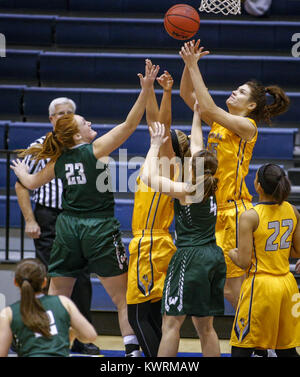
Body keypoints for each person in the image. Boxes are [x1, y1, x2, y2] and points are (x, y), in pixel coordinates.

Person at [10, 60, 160, 357]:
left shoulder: (59, 160)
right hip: (98, 227)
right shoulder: (95, 149)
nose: (89, 123)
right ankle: (131, 351)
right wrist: (145, 90)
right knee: (121, 297)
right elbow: (130, 124)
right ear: (77, 135)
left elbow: (30, 181)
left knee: (57, 295)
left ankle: (43, 345)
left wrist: (19, 171)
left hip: (67, 228)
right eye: (84, 122)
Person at [179, 39, 290, 310]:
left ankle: (261, 339)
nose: (233, 92)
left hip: (233, 212)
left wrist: (195, 66)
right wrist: (187, 64)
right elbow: (186, 94)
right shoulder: (220, 121)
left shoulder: (246, 126)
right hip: (213, 208)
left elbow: (207, 108)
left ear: (251, 106)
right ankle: (257, 335)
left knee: (234, 287)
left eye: (240, 92)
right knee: (223, 286)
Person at [15, 97, 99, 355]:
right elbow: (22, 184)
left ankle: (82, 339)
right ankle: (42, 334)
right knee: (46, 278)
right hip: (49, 218)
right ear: (51, 119)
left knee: (82, 278)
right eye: (60, 113)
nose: (64, 116)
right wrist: (30, 220)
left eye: (69, 113)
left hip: (77, 217)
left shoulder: (84, 146)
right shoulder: (40, 146)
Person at [141, 104, 226, 357]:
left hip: (190, 258)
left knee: (171, 324)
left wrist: (155, 146)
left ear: (191, 167)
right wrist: (197, 115)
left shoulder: (186, 190)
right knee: (206, 328)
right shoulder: (210, 182)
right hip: (213, 255)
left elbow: (147, 177)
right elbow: (199, 148)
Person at [127, 64, 179, 357]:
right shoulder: (163, 163)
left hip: (150, 244)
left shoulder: (170, 166)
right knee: (150, 316)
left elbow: (163, 126)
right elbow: (156, 124)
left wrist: (166, 94)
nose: (160, 138)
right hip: (153, 245)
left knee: (138, 315)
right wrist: (152, 90)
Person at [228, 163, 300, 357]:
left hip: (261, 287)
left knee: (241, 346)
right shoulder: (292, 210)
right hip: (287, 285)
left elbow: (243, 262)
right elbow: (296, 251)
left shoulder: (250, 216)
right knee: (287, 350)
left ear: (258, 185)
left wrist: (229, 252)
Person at [0, 258, 97, 357]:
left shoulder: (8, 313)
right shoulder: (64, 302)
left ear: (15, 282)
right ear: (44, 282)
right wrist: (73, 332)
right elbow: (90, 336)